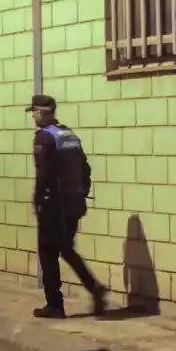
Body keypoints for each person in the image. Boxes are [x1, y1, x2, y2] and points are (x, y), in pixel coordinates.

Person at [28, 95, 106, 319]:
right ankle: (94, 287)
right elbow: (86, 168)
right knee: (65, 248)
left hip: (54, 204)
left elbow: (44, 174)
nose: (33, 116)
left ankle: (55, 305)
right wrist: (81, 193)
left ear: (43, 113)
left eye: (34, 112)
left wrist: (38, 201)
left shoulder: (44, 137)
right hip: (74, 202)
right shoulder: (69, 135)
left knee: (47, 251)